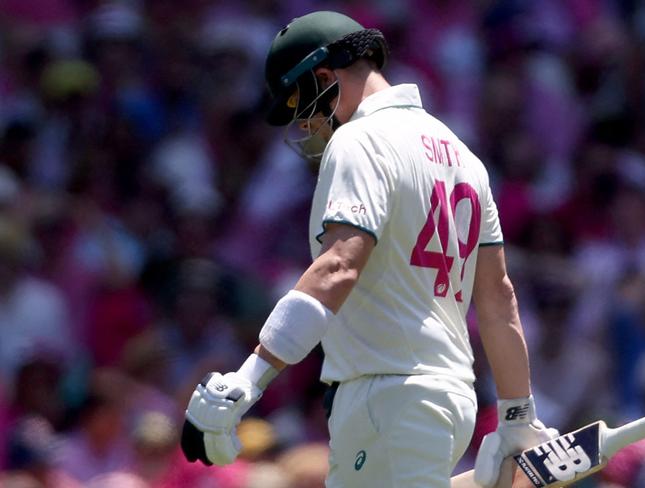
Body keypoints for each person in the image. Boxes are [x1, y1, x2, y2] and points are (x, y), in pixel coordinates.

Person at [180, 10, 557, 488]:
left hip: (389, 396)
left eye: (302, 102)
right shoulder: (463, 155)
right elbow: (498, 297)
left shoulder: (360, 139)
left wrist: (248, 379)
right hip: (449, 397)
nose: (308, 123)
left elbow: (339, 266)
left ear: (323, 76)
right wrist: (518, 413)